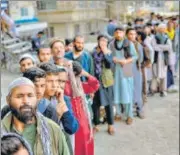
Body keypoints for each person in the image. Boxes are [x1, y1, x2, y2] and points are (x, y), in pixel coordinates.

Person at [1, 77, 70, 155]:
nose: (26, 101)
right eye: (19, 96)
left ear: (37, 99)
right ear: (8, 100)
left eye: (30, 96)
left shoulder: (53, 130)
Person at [64, 62, 99, 155]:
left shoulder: (80, 85)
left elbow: (95, 86)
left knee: (85, 144)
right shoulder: (64, 85)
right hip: (72, 120)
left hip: (83, 120)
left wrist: (86, 74)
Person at [109, 27, 138, 125]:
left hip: (127, 67)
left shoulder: (129, 43)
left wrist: (126, 61)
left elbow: (135, 56)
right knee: (116, 91)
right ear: (114, 34)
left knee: (127, 91)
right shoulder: (111, 44)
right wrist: (115, 59)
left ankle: (129, 115)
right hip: (115, 68)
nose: (118, 34)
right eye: (116, 32)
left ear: (124, 33)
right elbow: (109, 55)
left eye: (120, 32)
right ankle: (118, 113)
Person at [91, 34, 115, 135]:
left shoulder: (109, 52)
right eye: (101, 40)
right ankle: (96, 125)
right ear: (98, 41)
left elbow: (109, 65)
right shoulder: (92, 52)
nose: (103, 42)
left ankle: (110, 125)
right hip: (95, 80)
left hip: (106, 81)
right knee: (95, 104)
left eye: (105, 41)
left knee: (108, 104)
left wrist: (105, 51)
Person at [151, 23, 174, 97]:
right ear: (158, 29)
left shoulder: (167, 38)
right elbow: (154, 47)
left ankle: (163, 90)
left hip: (164, 59)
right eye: (161, 28)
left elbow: (169, 48)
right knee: (155, 74)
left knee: (164, 75)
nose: (162, 30)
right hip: (156, 59)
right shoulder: (154, 38)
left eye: (164, 28)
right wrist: (164, 47)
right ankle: (152, 90)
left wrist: (160, 47)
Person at [126, 28, 144, 118]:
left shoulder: (138, 45)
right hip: (126, 68)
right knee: (128, 90)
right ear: (127, 35)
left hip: (136, 69)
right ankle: (129, 112)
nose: (132, 36)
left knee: (137, 89)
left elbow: (140, 59)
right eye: (130, 34)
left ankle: (139, 109)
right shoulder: (124, 45)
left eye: (134, 34)